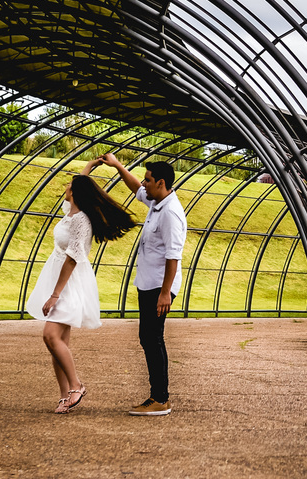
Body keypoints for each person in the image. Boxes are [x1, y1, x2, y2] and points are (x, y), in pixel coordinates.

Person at [25, 158, 137, 413]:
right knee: (58, 341)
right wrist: (89, 166)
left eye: (70, 185)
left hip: (70, 282)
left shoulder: (81, 220)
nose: (67, 186)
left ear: (75, 191)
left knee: (50, 336)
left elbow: (73, 258)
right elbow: (77, 188)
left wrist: (55, 294)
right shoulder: (70, 212)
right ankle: (65, 395)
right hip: (58, 277)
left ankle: (76, 386)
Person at [101, 152, 187, 416]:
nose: (144, 184)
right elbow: (135, 187)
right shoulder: (156, 202)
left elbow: (174, 256)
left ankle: (160, 398)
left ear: (161, 182)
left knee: (152, 338)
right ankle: (158, 396)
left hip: (158, 288)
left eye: (148, 180)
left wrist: (165, 294)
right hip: (149, 284)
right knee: (148, 338)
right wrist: (117, 165)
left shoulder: (170, 213)